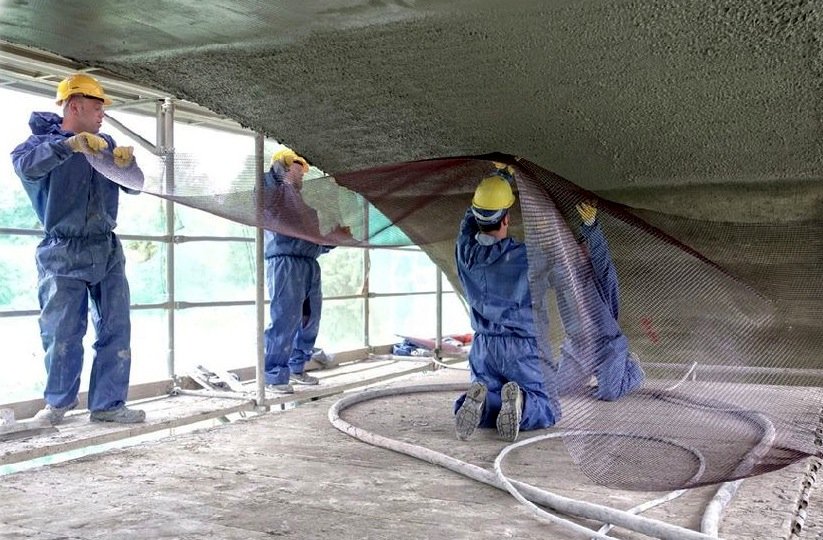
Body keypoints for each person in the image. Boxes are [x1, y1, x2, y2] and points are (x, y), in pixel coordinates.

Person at [11, 73, 146, 425]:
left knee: (116, 327)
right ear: (75, 105)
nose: (102, 114)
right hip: (63, 250)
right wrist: (68, 146)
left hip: (106, 247)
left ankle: (108, 405)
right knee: (63, 331)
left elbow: (136, 187)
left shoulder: (105, 144)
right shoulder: (38, 145)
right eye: (97, 106)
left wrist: (126, 164)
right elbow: (24, 166)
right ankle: (57, 405)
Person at [453, 171, 561, 443]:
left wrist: (495, 182)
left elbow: (469, 223)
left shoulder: (464, 251)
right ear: (507, 219)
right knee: (547, 406)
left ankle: (481, 403)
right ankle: (522, 404)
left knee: (489, 391)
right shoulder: (527, 257)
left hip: (483, 348)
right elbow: (564, 267)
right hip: (523, 347)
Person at [262, 148, 349, 394]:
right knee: (285, 317)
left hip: (309, 264)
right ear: (283, 168)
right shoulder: (273, 195)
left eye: (302, 171)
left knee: (309, 319)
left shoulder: (304, 207)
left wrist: (334, 239)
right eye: (296, 169)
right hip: (285, 263)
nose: (301, 176)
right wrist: (283, 179)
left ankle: (297, 367)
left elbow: (315, 241)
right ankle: (273, 375)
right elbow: (269, 204)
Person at [555, 201, 646, 400]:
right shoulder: (566, 279)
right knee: (559, 390)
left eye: (582, 248)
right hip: (578, 347)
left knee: (609, 394)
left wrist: (591, 226)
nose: (579, 252)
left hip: (607, 346)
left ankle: (633, 369)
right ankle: (560, 369)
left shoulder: (602, 279)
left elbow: (601, 257)